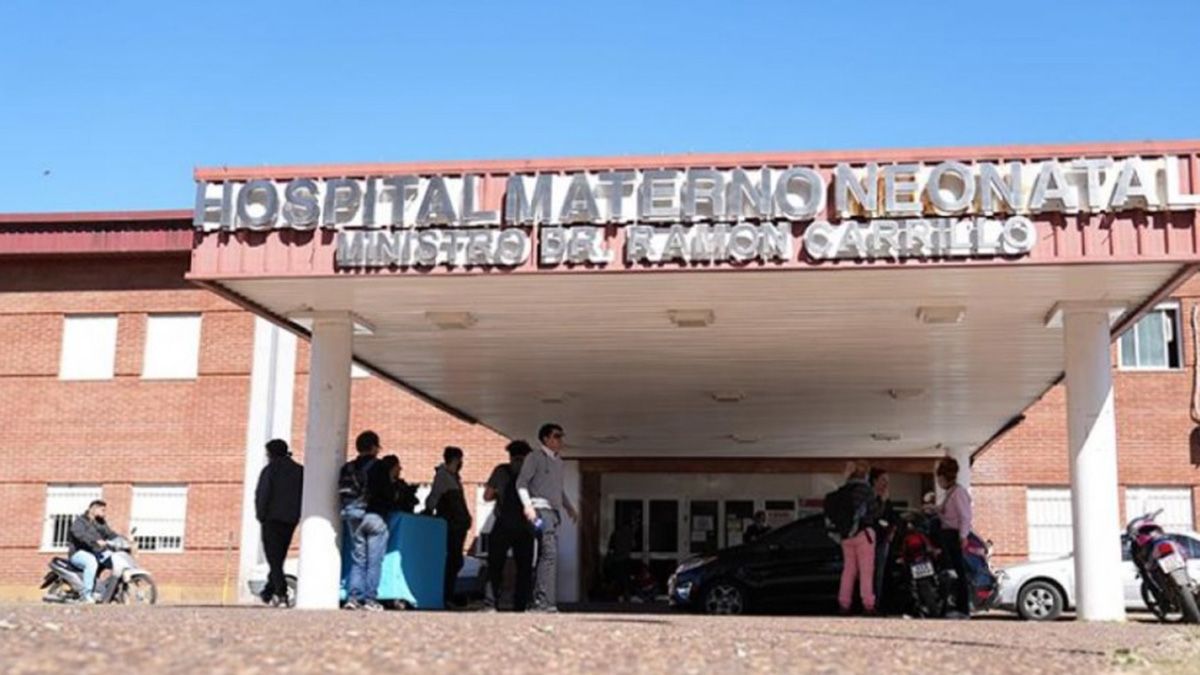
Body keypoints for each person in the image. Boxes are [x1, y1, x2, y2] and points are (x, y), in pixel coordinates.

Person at [516, 423, 578, 613]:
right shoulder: (534, 457)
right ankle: (543, 603)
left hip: (554, 513)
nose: (560, 440)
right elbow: (521, 483)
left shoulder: (559, 462)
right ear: (545, 439)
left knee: (547, 554)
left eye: (561, 436)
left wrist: (569, 507)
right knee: (549, 552)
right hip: (539, 512)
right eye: (557, 436)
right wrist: (528, 507)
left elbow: (558, 489)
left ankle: (542, 602)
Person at [483, 440, 535, 611]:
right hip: (524, 526)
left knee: (495, 565)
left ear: (510, 455)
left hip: (503, 525)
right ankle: (520, 605)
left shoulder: (501, 470)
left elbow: (487, 496)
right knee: (524, 568)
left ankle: (491, 603)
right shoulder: (532, 473)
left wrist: (499, 493)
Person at [338, 430, 386, 611]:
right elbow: (386, 493)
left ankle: (353, 598)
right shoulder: (379, 467)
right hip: (374, 516)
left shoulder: (348, 468)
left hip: (353, 517)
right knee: (374, 561)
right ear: (374, 447)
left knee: (358, 559)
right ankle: (370, 599)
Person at [254, 438, 303, 607]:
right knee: (278, 557)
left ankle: (281, 593)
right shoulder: (299, 470)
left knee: (273, 558)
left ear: (271, 453)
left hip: (272, 519)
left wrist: (261, 516)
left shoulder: (270, 470)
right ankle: (268, 591)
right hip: (290, 520)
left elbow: (263, 494)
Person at [426, 446, 472, 608]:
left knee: (456, 561)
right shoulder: (443, 476)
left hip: (458, 526)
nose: (461, 463)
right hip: (451, 526)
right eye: (460, 459)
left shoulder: (453, 477)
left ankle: (449, 594)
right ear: (455, 459)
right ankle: (446, 596)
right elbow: (433, 498)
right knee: (452, 561)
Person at [833, 460, 877, 615]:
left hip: (846, 536)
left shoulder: (844, 489)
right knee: (866, 571)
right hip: (863, 534)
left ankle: (844, 604)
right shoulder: (866, 490)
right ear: (865, 474)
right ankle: (868, 605)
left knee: (848, 570)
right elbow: (872, 511)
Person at [935, 457, 973, 619]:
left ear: (944, 477)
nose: (938, 482)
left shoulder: (958, 493)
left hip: (954, 535)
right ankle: (954, 605)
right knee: (952, 572)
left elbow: (965, 516)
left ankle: (962, 607)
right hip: (948, 534)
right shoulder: (951, 492)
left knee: (958, 572)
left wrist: (963, 536)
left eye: (939, 478)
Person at [67, 500, 121, 603]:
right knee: (91, 562)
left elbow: (110, 534)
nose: (104, 513)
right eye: (103, 510)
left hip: (96, 552)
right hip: (78, 552)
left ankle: (107, 591)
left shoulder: (100, 522)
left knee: (115, 561)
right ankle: (86, 595)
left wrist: (124, 541)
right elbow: (79, 534)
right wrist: (95, 541)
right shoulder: (80, 521)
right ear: (93, 509)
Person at [867, 468, 898, 608]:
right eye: (883, 480)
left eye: (888, 481)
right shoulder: (870, 499)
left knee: (880, 573)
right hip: (869, 540)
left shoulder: (886, 499)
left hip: (883, 540)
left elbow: (892, 519)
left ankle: (878, 602)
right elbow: (873, 517)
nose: (886, 484)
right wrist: (882, 502)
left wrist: (892, 531)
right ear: (874, 481)